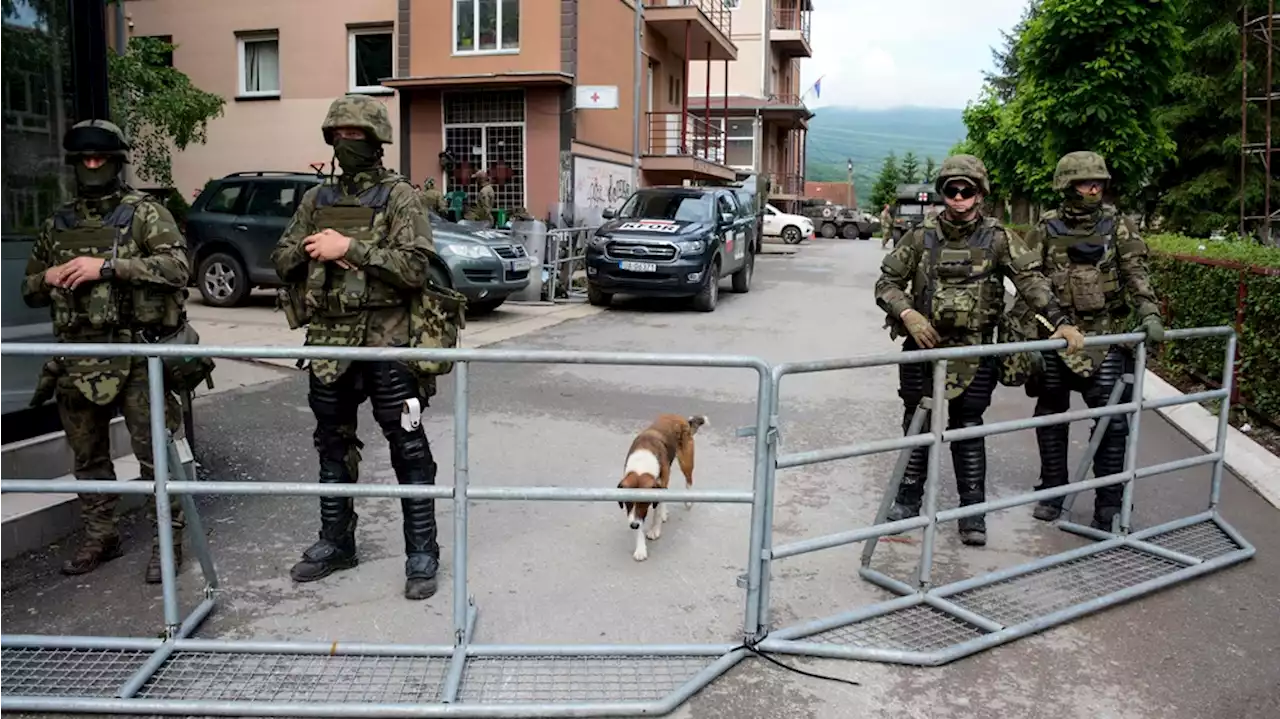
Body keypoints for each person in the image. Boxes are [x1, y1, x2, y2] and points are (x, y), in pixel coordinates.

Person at [272, 94, 457, 600]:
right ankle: (337, 542)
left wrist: (347, 248)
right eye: (340, 135)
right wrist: (313, 249)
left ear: (376, 142)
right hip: (330, 340)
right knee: (331, 444)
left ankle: (422, 553)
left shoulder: (400, 198)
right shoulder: (316, 200)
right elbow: (282, 256)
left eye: (357, 135)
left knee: (408, 445)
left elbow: (416, 268)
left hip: (389, 342)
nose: (347, 143)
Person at [874, 154, 1085, 546]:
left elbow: (1031, 281)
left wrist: (1060, 321)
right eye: (951, 190)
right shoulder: (920, 237)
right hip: (924, 349)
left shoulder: (999, 238)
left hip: (974, 353)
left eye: (966, 190)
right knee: (916, 425)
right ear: (942, 193)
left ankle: (972, 513)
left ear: (979, 195)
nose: (958, 198)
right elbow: (886, 283)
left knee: (968, 428)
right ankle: (907, 500)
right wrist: (907, 314)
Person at [21, 119, 197, 582]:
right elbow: (29, 287)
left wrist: (108, 268)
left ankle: (169, 541)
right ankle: (102, 535)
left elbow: (178, 268)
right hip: (77, 355)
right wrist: (49, 278)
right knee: (88, 457)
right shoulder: (59, 222)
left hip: (137, 354)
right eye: (84, 159)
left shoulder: (145, 213)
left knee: (156, 456)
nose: (92, 164)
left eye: (100, 157)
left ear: (117, 162)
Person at [1015, 151, 1165, 531]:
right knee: (1050, 419)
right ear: (1067, 186)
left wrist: (1149, 310)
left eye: (1098, 181)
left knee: (1112, 423)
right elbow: (1029, 279)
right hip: (1055, 337)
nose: (1093, 188)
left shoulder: (1118, 225)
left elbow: (1135, 270)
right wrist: (1019, 334)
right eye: (1085, 182)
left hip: (1105, 337)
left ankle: (1109, 504)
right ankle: (1052, 491)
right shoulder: (1046, 227)